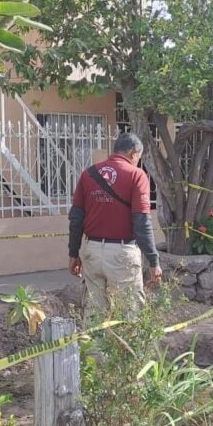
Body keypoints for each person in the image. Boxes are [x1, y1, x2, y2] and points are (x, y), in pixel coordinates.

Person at [68, 132, 162, 323]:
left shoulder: (88, 175)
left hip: (91, 252)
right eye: (138, 158)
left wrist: (73, 254)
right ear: (134, 153)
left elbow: (76, 219)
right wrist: (154, 261)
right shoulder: (136, 175)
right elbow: (142, 223)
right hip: (122, 254)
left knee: (95, 314)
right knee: (130, 314)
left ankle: (94, 353)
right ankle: (126, 352)